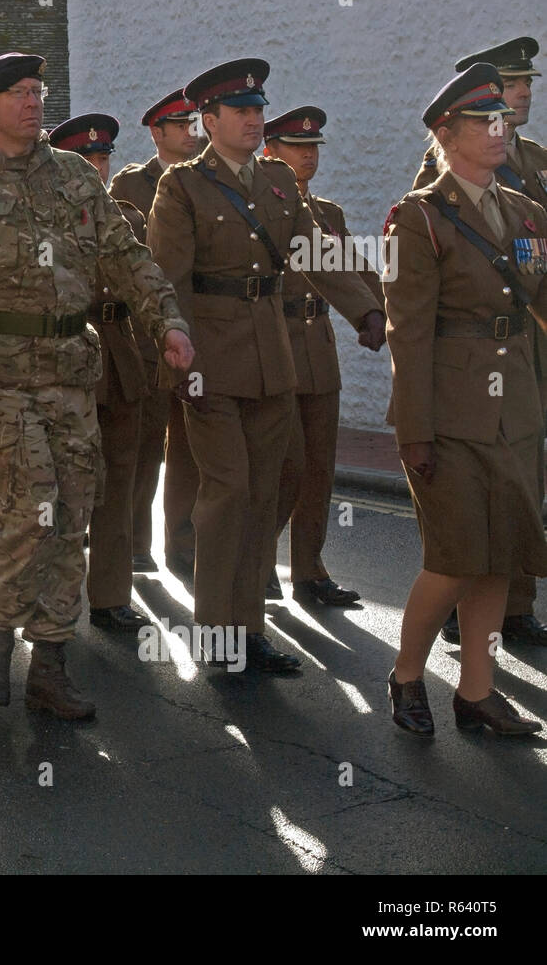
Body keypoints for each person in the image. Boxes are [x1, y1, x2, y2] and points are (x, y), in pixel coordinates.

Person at [0, 52, 193, 718]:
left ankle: (50, 659)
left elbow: (126, 256)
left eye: (38, 91)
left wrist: (168, 322)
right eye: (18, 92)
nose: (33, 101)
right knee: (29, 511)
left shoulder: (73, 177)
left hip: (73, 374)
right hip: (5, 379)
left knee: (74, 515)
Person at [148, 58, 380, 673]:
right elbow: (166, 280)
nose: (254, 120)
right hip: (210, 365)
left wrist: (366, 313)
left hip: (273, 362)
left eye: (258, 110)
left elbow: (315, 253)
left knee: (264, 494)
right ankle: (216, 632)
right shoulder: (182, 187)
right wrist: (177, 358)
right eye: (242, 112)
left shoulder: (277, 180)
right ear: (210, 119)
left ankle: (248, 627)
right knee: (227, 493)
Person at [385, 63, 546, 737]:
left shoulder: (527, 212)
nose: (499, 129)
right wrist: (414, 433)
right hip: (448, 413)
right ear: (446, 135)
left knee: (499, 553)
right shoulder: (417, 220)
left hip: (515, 410)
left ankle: (476, 692)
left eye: (501, 119)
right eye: (484, 121)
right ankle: (406, 674)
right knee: (453, 556)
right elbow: (408, 331)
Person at [417, 38, 547, 648]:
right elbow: (414, 323)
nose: (519, 97)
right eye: (506, 89)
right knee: (464, 520)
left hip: (522, 350)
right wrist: (413, 424)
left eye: (522, 87)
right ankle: (425, 653)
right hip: (461, 371)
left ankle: (509, 616)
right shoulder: (429, 201)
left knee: (522, 488)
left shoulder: (533, 173)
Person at [263, 106, 386, 606]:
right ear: (270, 151)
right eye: (297, 146)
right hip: (276, 342)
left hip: (319, 347)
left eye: (313, 147)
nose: (308, 155)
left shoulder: (328, 213)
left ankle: (310, 570)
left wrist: (380, 311)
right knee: (281, 465)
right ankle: (259, 562)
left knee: (319, 466)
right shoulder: (263, 211)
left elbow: (357, 272)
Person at [49, 112, 151, 632]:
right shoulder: (43, 220)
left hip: (122, 356)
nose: (98, 166)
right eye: (86, 159)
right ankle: (54, 601)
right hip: (69, 357)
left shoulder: (128, 219)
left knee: (121, 483)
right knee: (68, 486)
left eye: (104, 157)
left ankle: (112, 596)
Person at [111, 88, 200, 578]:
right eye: (180, 126)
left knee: (189, 447)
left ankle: (182, 541)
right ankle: (135, 540)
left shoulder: (207, 184)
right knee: (144, 446)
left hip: (193, 329)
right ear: (158, 133)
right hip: (146, 333)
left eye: (194, 125)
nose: (191, 134)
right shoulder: (130, 186)